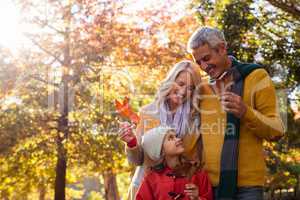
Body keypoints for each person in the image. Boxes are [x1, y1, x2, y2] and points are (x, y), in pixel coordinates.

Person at [187, 27, 285, 199]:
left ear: (222, 48)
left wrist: (245, 112)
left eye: (207, 58)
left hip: (248, 188)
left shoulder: (256, 77)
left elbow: (277, 130)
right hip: (209, 186)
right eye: (198, 62)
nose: (203, 67)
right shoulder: (202, 89)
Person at [119, 60, 203, 199]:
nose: (183, 92)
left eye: (190, 88)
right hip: (146, 189)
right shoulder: (148, 112)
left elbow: (197, 159)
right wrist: (131, 142)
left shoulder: (195, 118)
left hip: (182, 190)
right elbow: (138, 160)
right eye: (180, 84)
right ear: (170, 81)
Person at [136, 126, 213, 200]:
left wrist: (197, 198)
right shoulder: (151, 179)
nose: (178, 139)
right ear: (160, 150)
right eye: (170, 138)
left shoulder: (197, 172)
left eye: (176, 136)